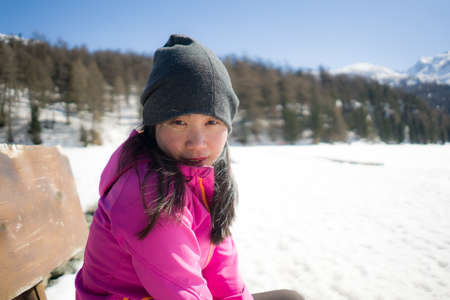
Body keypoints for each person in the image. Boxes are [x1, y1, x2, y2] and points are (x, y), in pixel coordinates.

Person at [75, 34, 304, 300]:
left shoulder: (206, 179)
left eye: (211, 123)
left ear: (227, 126)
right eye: (179, 122)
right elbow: (183, 291)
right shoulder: (146, 194)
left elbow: (223, 276)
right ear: (154, 126)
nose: (197, 143)